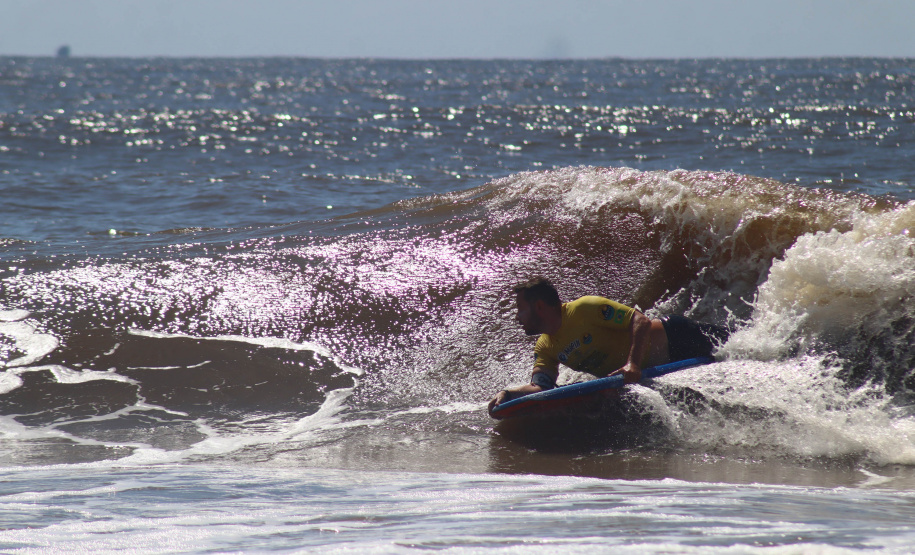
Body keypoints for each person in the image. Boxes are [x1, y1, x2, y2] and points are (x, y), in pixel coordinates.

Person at [488, 277, 729, 415]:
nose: (517, 317)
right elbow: (541, 387)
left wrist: (633, 364)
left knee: (739, 350)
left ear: (539, 306)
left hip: (678, 336)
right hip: (661, 366)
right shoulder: (545, 347)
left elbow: (640, 321)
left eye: (520, 309)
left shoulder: (583, 309)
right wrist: (509, 394)